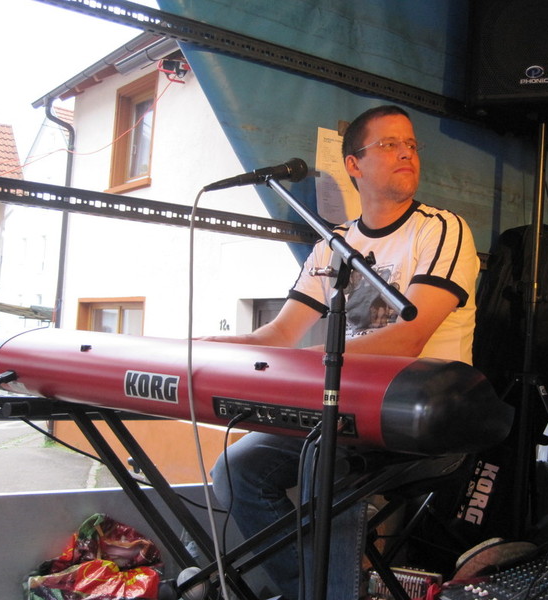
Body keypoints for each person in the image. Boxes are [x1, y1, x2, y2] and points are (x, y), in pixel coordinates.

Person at [207, 104, 480, 599]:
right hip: (344, 414)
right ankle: (309, 590)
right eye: (390, 144)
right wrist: (198, 348)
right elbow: (278, 335)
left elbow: (408, 339)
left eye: (411, 144)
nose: (406, 153)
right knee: (235, 469)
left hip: (426, 419)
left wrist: (317, 361)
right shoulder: (333, 245)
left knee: (326, 459)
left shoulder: (442, 230)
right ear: (354, 164)